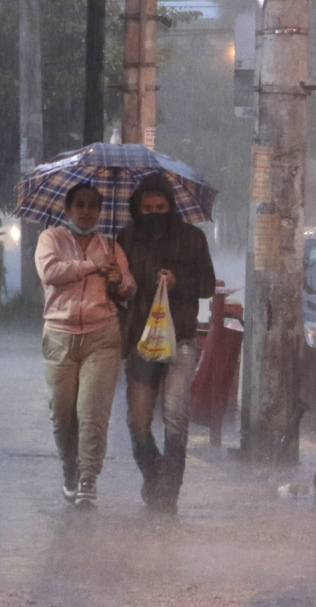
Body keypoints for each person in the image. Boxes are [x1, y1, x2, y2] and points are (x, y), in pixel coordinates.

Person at [117, 173, 218, 514]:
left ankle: (169, 492)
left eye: (160, 206)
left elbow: (206, 284)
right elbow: (118, 291)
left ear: (171, 206)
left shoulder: (192, 238)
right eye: (147, 207)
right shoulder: (126, 239)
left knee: (175, 414)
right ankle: (154, 472)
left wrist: (179, 282)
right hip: (139, 341)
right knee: (138, 420)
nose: (154, 212)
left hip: (181, 339)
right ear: (137, 208)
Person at [36, 182, 135, 508]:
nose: (87, 211)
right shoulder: (51, 239)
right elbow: (51, 272)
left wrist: (118, 280)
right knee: (63, 415)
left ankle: (88, 479)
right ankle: (70, 469)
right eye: (80, 204)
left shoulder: (110, 247)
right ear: (68, 209)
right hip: (59, 337)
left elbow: (128, 288)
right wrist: (92, 267)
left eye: (93, 205)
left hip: (102, 336)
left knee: (92, 412)